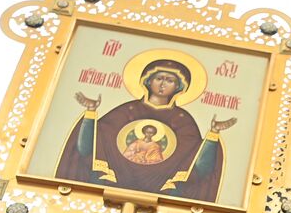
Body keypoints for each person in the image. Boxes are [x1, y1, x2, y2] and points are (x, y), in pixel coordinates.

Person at [56, 58, 235, 202]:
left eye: (170, 80)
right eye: (159, 78)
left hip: (162, 191)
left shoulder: (183, 120)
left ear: (179, 87)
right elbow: (88, 149)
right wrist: (90, 113)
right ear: (148, 81)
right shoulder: (127, 110)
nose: (163, 84)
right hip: (109, 184)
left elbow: (197, 168)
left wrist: (213, 135)